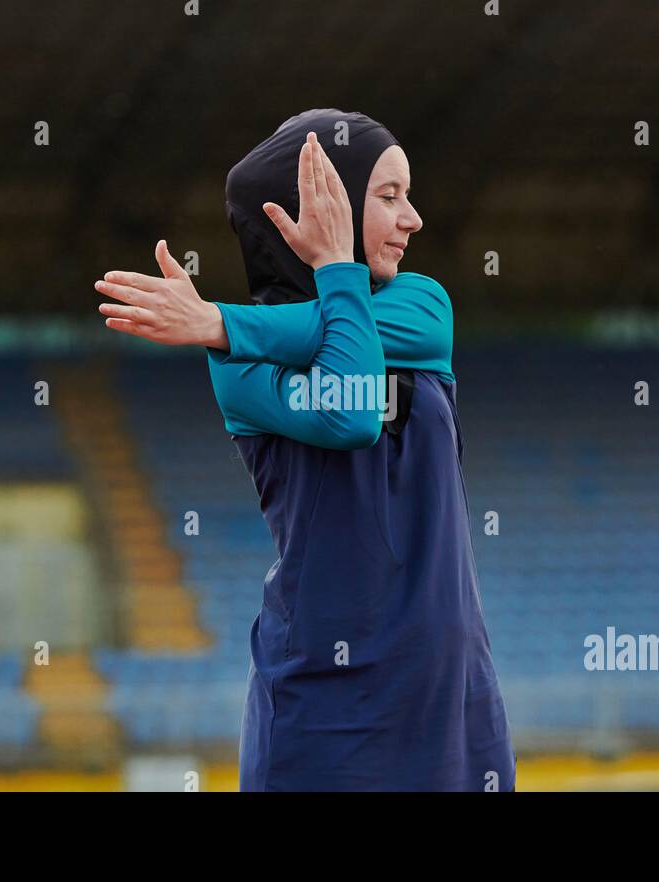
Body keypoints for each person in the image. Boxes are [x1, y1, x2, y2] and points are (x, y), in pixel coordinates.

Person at [95, 109, 515, 791]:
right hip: (325, 705)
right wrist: (331, 269)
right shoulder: (234, 365)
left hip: (452, 691)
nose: (413, 220)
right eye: (387, 197)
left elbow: (326, 338)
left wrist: (222, 319)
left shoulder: (423, 306)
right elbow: (350, 415)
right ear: (315, 211)